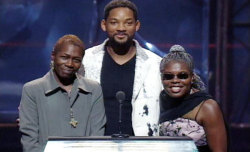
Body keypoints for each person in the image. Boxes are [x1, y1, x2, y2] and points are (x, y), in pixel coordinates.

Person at [83, 0, 162, 136]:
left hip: (142, 145)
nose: (121, 28)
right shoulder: (86, 59)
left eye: (128, 22)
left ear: (137, 26)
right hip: (94, 143)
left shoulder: (155, 64)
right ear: (104, 25)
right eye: (114, 22)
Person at [19, 34, 106, 152]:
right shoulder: (32, 90)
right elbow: (30, 143)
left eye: (76, 60)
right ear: (53, 56)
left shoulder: (93, 89)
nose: (70, 64)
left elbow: (97, 138)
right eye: (64, 57)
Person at [159, 45, 227, 151]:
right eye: (168, 76)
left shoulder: (207, 107)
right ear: (162, 78)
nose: (175, 80)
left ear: (192, 78)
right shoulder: (158, 102)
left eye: (182, 76)